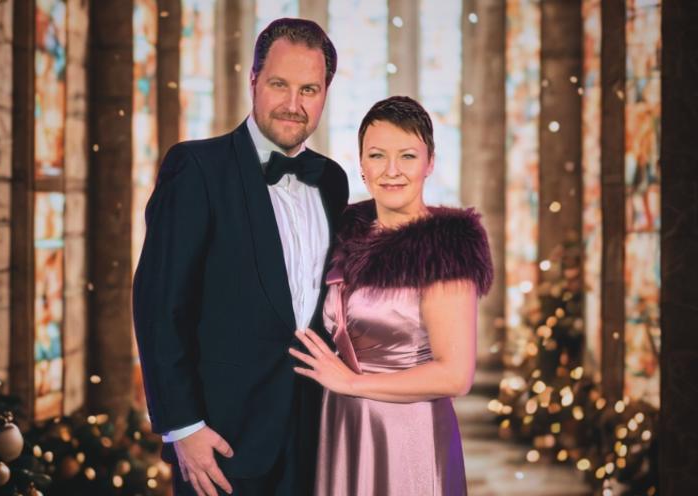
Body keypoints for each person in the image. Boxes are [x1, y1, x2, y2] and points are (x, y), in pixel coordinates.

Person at [132, 18, 349, 496]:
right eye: (279, 84)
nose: (293, 104)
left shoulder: (332, 180)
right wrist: (183, 427)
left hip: (315, 437)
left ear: (325, 93)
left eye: (309, 89)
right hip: (219, 443)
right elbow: (159, 307)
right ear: (253, 81)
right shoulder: (196, 168)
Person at [290, 96, 493, 495]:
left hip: (408, 435)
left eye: (408, 156)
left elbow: (455, 375)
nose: (392, 171)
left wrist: (352, 384)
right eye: (377, 155)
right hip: (342, 423)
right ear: (361, 164)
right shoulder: (343, 233)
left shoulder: (443, 248)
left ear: (429, 163)